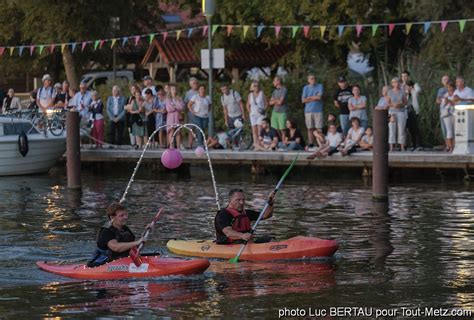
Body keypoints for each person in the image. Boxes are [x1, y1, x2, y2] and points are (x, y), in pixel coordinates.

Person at [87, 202, 147, 267]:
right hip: (102, 265)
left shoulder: (125, 229)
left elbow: (134, 248)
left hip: (122, 261)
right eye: (121, 216)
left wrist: (144, 236)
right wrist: (136, 243)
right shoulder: (106, 231)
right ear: (112, 217)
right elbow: (116, 247)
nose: (125, 217)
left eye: (126, 214)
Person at [301, 74, 324, 146]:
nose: (313, 80)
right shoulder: (305, 88)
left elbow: (319, 97)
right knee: (309, 128)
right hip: (308, 111)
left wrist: (309, 98)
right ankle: (311, 143)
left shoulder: (320, 86)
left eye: (314, 78)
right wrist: (314, 97)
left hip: (318, 110)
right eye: (311, 79)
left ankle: (319, 144)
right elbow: (303, 100)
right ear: (308, 80)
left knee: (318, 128)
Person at [388, 77, 407, 151]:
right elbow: (388, 103)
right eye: (395, 82)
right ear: (392, 84)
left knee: (401, 129)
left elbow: (405, 102)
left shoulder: (403, 91)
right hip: (392, 112)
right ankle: (391, 147)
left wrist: (400, 104)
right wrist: (394, 105)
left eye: (398, 81)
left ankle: (402, 146)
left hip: (401, 111)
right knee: (392, 129)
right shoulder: (389, 92)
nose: (397, 83)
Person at [246, 81, 267, 149]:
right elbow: (247, 105)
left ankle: (259, 144)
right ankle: (255, 145)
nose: (256, 87)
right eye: (254, 86)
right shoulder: (250, 95)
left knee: (259, 130)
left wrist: (264, 110)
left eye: (257, 85)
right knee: (254, 131)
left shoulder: (262, 93)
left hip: (260, 115)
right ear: (252, 87)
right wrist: (250, 112)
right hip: (253, 115)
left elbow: (266, 103)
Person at [269, 76, 288, 141]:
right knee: (275, 128)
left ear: (278, 81)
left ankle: (283, 142)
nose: (273, 82)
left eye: (274, 81)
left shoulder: (284, 89)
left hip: (282, 111)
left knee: (282, 129)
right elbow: (270, 103)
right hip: (275, 111)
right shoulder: (274, 91)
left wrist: (275, 101)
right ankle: (280, 140)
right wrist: (277, 100)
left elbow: (280, 102)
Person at [405, 80, 423, 151]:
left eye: (407, 86)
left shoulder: (414, 92)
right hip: (407, 112)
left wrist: (414, 84)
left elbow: (419, 89)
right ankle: (413, 144)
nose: (406, 88)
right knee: (410, 129)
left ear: (411, 86)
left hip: (414, 111)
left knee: (416, 129)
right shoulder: (406, 94)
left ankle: (418, 144)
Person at [166, 84, 185, 148]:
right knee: (171, 131)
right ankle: (171, 146)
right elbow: (169, 108)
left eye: (175, 89)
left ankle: (178, 146)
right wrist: (176, 107)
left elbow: (182, 107)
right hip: (171, 117)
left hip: (177, 116)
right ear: (170, 90)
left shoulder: (179, 98)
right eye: (173, 89)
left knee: (178, 131)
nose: (174, 90)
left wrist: (175, 106)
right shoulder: (168, 99)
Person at [441, 81, 457, 152]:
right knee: (449, 131)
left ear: (453, 87)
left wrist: (450, 101)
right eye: (448, 87)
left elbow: (456, 103)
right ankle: (450, 147)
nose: (449, 88)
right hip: (446, 114)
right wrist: (448, 102)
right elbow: (442, 105)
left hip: (455, 113)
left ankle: (455, 146)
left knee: (455, 131)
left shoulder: (456, 94)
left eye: (450, 87)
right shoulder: (445, 95)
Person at [184, 77, 199, 148]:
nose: (195, 84)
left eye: (196, 83)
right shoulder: (188, 93)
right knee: (191, 129)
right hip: (191, 114)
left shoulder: (200, 91)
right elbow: (185, 103)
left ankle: (199, 144)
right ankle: (190, 144)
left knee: (199, 129)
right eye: (194, 83)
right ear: (191, 85)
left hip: (199, 113)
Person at [436, 75, 450, 141]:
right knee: (444, 127)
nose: (446, 81)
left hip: (451, 110)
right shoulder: (441, 90)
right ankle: (447, 145)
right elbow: (437, 101)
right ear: (442, 82)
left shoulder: (453, 89)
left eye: (447, 79)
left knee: (451, 128)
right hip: (443, 110)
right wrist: (444, 100)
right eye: (444, 80)